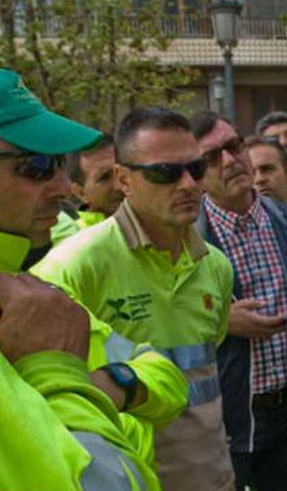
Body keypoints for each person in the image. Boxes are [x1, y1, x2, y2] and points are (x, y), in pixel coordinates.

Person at [33, 106, 237, 491]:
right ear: (124, 179)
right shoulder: (75, 265)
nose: (189, 185)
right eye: (165, 173)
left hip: (214, 477)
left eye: (195, 168)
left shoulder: (217, 267)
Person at [0, 68, 182, 490]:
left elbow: (165, 373)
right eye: (38, 165)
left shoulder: (24, 289)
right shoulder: (63, 264)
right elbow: (107, 479)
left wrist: (119, 383)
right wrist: (58, 377)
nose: (65, 186)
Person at [190, 111, 287, 491]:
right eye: (211, 158)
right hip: (224, 425)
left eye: (232, 147)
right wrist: (220, 322)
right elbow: (156, 326)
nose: (229, 161)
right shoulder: (183, 241)